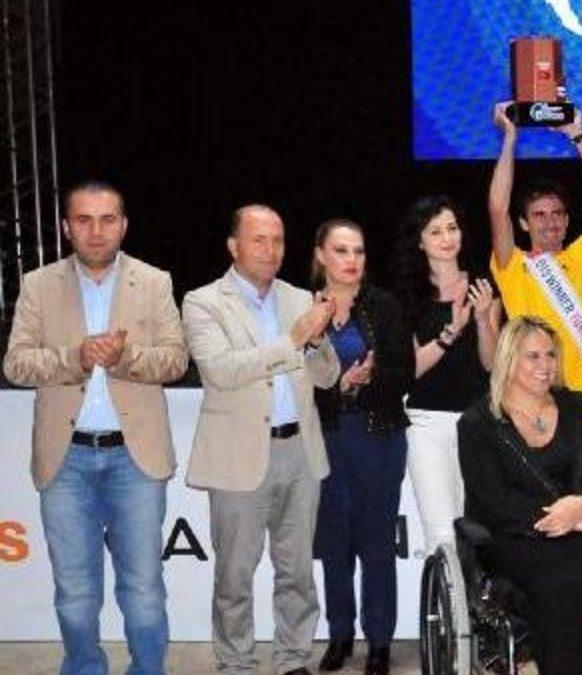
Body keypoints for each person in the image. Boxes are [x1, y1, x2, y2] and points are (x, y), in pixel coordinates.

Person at [3, 180, 188, 675]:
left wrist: (124, 358)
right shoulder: (38, 285)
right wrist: (76, 358)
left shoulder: (155, 282)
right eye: (83, 220)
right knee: (75, 593)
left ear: (124, 225)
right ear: (67, 227)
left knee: (144, 591)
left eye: (107, 219)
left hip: (136, 459)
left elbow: (175, 360)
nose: (96, 230)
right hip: (66, 462)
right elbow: (16, 364)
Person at [183, 204, 340, 675]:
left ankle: (293, 659)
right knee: (235, 575)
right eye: (258, 240)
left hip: (300, 453)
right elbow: (223, 371)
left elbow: (328, 376)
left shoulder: (299, 298)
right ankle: (236, 663)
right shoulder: (203, 302)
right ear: (233, 246)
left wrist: (316, 342)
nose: (271, 250)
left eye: (277, 240)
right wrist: (294, 340)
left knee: (298, 573)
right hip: (238, 458)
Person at [456, 316, 582, 675]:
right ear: (509, 359)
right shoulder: (478, 423)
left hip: (580, 530)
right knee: (558, 577)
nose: (546, 365)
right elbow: (493, 501)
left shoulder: (578, 408)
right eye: (533, 356)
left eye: (551, 355)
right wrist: (573, 520)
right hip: (513, 537)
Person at [309, 219, 414, 674]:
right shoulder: (302, 307)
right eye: (341, 250)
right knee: (334, 543)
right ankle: (339, 635)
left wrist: (369, 380)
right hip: (325, 440)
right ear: (321, 255)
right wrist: (340, 387)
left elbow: (404, 373)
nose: (352, 260)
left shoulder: (384, 306)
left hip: (378, 437)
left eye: (359, 251)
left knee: (376, 544)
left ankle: (379, 642)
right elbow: (293, 381)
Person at [487, 102, 582, 403]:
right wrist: (510, 138)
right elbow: (497, 207)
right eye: (539, 215)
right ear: (523, 223)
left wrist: (578, 136)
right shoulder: (512, 264)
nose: (550, 221)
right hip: (528, 395)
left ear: (567, 220)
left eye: (557, 214)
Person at [393, 195, 500, 555]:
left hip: (479, 421)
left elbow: (492, 364)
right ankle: (445, 592)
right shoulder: (407, 296)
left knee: (482, 531)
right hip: (427, 424)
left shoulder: (482, 286)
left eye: (452, 228)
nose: (447, 238)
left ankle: (479, 593)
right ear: (420, 241)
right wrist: (449, 334)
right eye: (435, 231)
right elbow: (410, 369)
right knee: (441, 535)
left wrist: (482, 320)